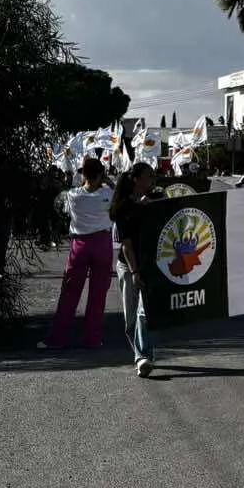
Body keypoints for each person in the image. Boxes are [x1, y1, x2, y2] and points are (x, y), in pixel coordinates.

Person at [43, 156, 116, 351]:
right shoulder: (108, 193)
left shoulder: (73, 195)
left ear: (83, 174)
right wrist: (106, 181)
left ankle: (57, 338)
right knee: (98, 295)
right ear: (100, 174)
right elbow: (115, 197)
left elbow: (62, 209)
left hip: (80, 244)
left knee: (69, 293)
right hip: (102, 243)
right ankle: (93, 339)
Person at [110, 161, 162, 376]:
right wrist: (134, 272)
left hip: (149, 265)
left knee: (143, 313)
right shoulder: (123, 208)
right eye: (149, 176)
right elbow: (127, 244)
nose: (153, 180)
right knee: (131, 318)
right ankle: (142, 352)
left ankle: (143, 357)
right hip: (128, 266)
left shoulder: (154, 200)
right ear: (136, 179)